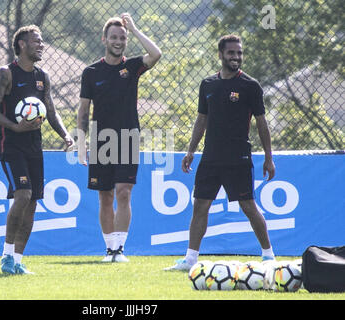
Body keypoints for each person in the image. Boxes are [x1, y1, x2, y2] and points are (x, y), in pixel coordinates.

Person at [165, 35, 276, 271]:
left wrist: (269, 157)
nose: (236, 57)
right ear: (220, 55)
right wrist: (190, 151)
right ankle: (190, 260)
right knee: (200, 206)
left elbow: (262, 123)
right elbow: (201, 119)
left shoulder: (250, 85)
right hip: (210, 158)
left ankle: (268, 256)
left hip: (239, 158)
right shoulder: (207, 85)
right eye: (231, 53)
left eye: (239, 53)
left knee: (248, 207)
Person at [0, 25, 74, 274]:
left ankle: (17, 261)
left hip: (35, 146)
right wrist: (15, 127)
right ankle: (5, 256)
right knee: (22, 195)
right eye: (36, 41)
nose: (41, 44)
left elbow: (51, 111)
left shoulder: (42, 76)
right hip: (11, 145)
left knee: (33, 203)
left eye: (42, 41)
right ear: (22, 45)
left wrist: (66, 135)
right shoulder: (6, 74)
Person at [77, 13, 161, 262]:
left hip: (128, 138)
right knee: (105, 195)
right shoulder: (91, 72)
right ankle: (109, 249)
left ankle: (120, 250)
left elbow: (156, 54)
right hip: (101, 140)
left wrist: (134, 29)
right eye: (114, 37)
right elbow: (83, 110)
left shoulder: (133, 66)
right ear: (104, 39)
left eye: (122, 37)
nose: (118, 41)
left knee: (124, 192)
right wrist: (82, 145)